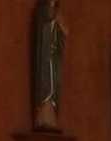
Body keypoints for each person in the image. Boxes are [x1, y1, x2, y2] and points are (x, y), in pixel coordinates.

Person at [32, 0, 68, 131]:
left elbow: (63, 34)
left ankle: (52, 119)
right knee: (45, 82)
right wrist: (53, 17)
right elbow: (42, 29)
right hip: (45, 55)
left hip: (54, 57)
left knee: (55, 83)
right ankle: (43, 118)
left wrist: (62, 30)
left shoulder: (57, 13)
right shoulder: (42, 10)